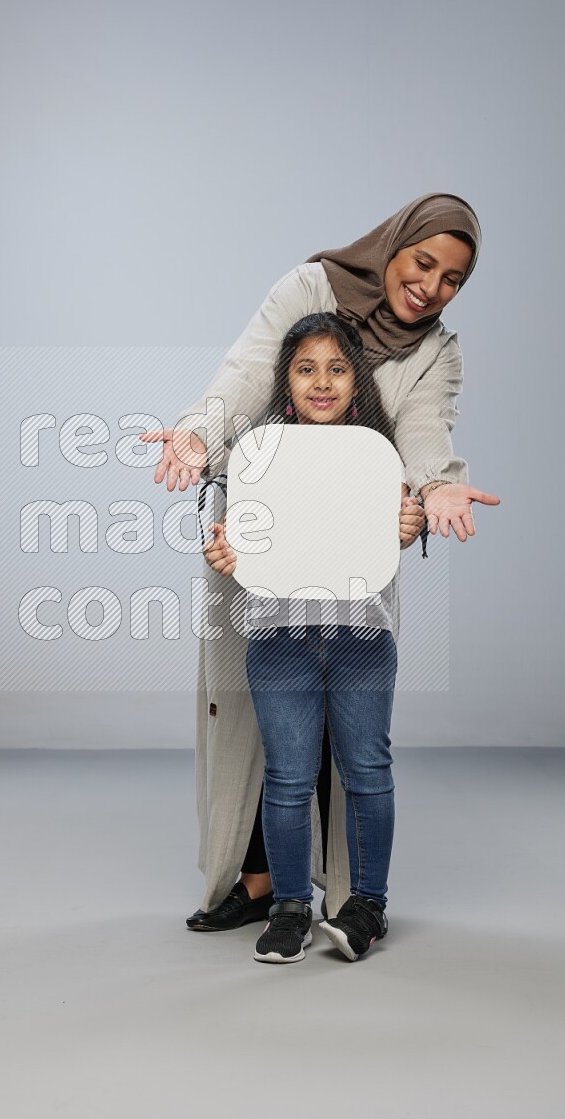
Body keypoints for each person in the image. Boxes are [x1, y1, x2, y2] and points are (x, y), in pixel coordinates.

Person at [139, 193, 500, 929]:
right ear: (393, 245)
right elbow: (245, 379)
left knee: (346, 734)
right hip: (261, 543)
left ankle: (345, 895)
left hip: (352, 557)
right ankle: (263, 879)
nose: (431, 287)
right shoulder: (310, 289)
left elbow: (425, 431)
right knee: (255, 718)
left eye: (452, 279)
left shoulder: (436, 350)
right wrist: (201, 437)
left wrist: (437, 484)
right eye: (423, 263)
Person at [203, 312, 422, 962]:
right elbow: (233, 535)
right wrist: (226, 555)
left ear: (355, 380)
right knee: (290, 777)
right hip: (280, 636)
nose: (321, 382)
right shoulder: (258, 454)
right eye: (306, 369)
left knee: (367, 772)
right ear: (286, 380)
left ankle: (368, 907)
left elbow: (390, 534)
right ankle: (292, 906)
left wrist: (407, 529)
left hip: (360, 634)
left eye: (335, 368)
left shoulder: (378, 454)